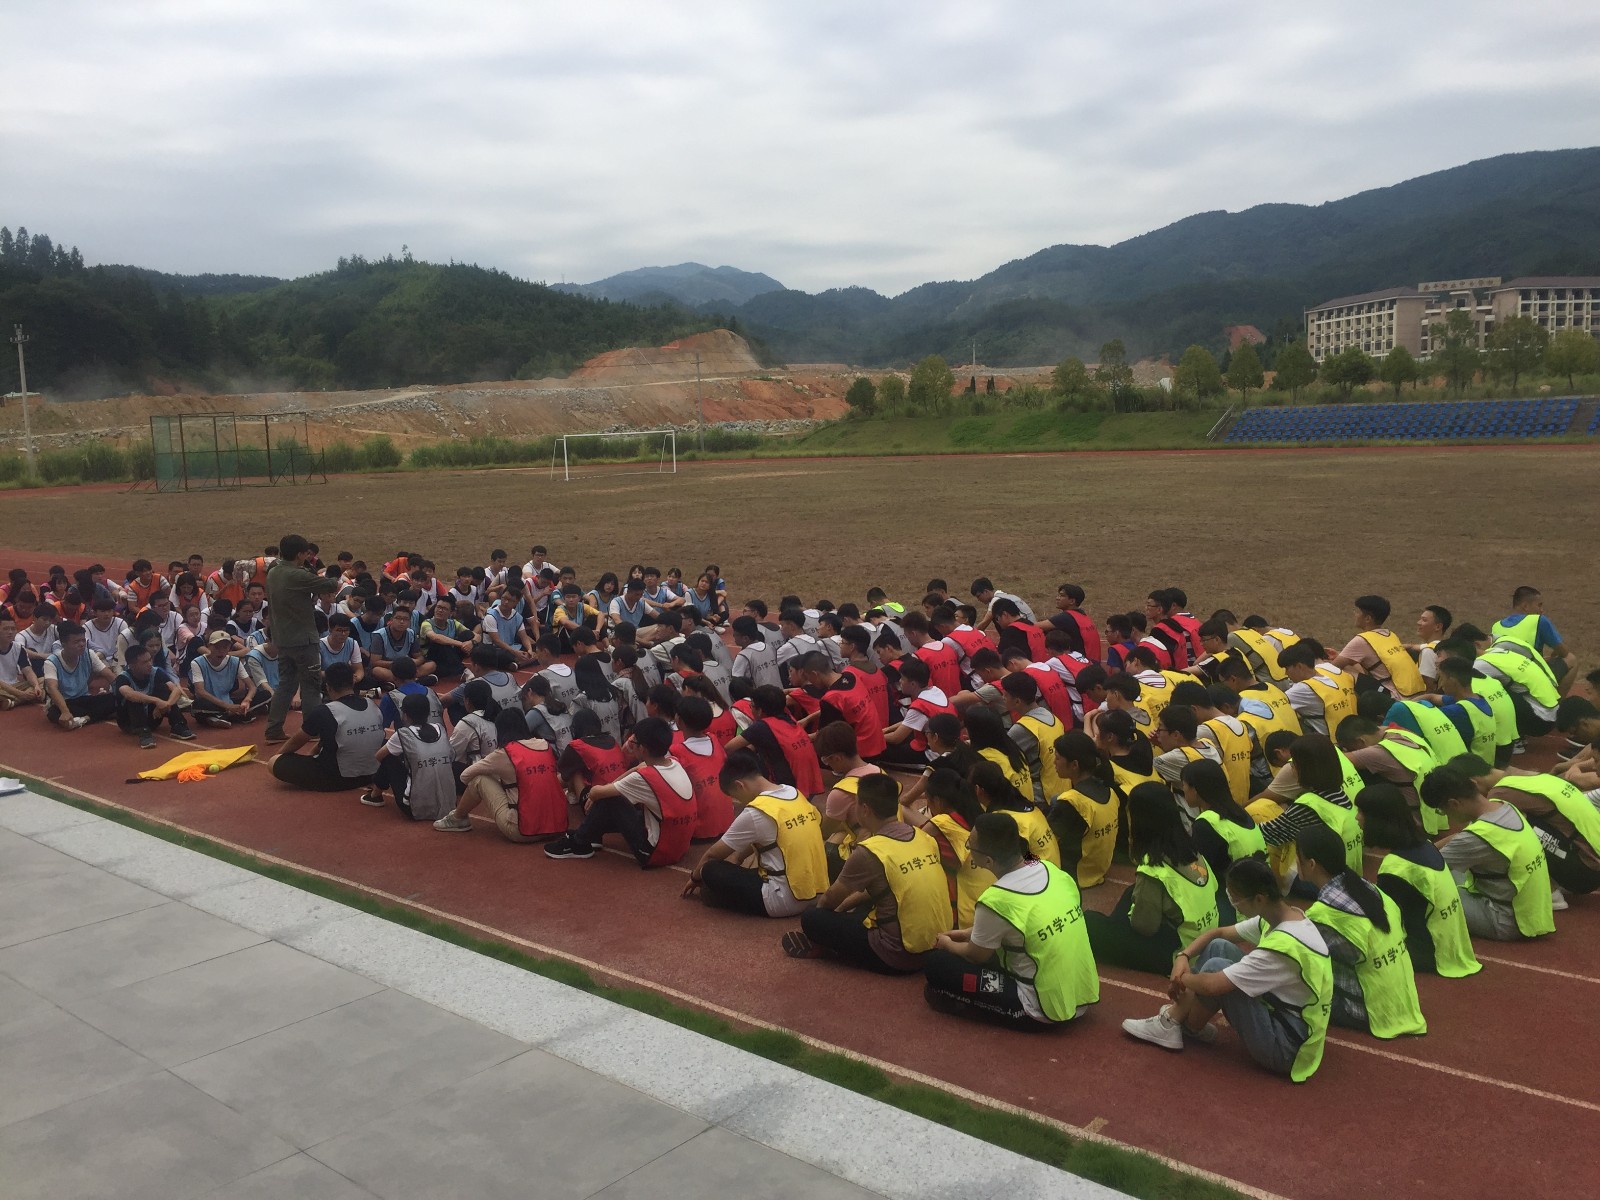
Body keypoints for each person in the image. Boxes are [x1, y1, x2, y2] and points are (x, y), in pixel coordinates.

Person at [1121, 858, 1333, 1083]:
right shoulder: (1284, 916)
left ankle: (1178, 1022)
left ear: (1259, 899)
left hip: (1286, 1048)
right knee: (1218, 947)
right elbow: (1219, 933)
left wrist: (1180, 978)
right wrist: (1184, 956)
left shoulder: (1282, 948)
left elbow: (1212, 985)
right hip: (1287, 1016)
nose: (1233, 904)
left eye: (1236, 899)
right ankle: (1182, 1020)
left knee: (1216, 969)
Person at [922, 812, 1099, 1029]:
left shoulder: (995, 899)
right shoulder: (1048, 867)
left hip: (1039, 1007)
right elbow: (1026, 922)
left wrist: (947, 944)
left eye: (970, 845)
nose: (968, 848)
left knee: (937, 964)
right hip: (1081, 994)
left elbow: (975, 955)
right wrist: (968, 933)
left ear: (987, 861)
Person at [786, 773, 953, 973]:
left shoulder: (870, 851)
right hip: (937, 945)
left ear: (865, 809)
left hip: (897, 955)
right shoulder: (923, 836)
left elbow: (830, 899)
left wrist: (824, 918)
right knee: (867, 903)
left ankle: (825, 946)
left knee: (812, 917)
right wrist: (845, 906)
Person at [1295, 821, 1427, 1040]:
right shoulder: (1369, 888)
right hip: (1403, 1003)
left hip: (1368, 1011)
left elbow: (1297, 956)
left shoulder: (1324, 913)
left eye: (1296, 856)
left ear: (1311, 864)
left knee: (1287, 984)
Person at [1086, 782, 1219, 974]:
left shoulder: (1153, 867)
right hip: (1204, 939)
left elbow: (1145, 926)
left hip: (1180, 954)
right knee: (1131, 892)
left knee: (1090, 922)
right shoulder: (1190, 847)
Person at [1355, 783, 1480, 978]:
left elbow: (1384, 921)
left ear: (1377, 820)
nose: (1356, 818)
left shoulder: (1396, 868)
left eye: (1361, 812)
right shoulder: (1426, 846)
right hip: (1450, 944)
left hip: (1428, 952)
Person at [682, 750, 826, 917]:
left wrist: (695, 877)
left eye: (735, 796)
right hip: (815, 891)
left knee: (710, 870)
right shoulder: (794, 793)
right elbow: (773, 833)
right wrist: (739, 857)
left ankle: (720, 899)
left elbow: (712, 855)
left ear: (740, 785)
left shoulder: (756, 811)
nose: (739, 801)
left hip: (782, 900)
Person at [1421, 763, 1555, 941]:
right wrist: (1430, 847)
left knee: (1422, 891)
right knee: (1450, 874)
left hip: (1505, 920)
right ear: (1473, 784)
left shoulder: (1475, 838)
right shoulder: (1504, 807)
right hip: (1533, 913)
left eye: (1442, 811)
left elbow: (1425, 869)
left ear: (1453, 804)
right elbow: (1459, 838)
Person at [544, 717, 695, 866]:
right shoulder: (674, 762)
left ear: (642, 749)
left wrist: (600, 793)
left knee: (610, 798)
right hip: (679, 845)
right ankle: (588, 835)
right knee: (617, 797)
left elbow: (596, 793)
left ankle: (579, 842)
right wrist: (633, 771)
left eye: (634, 743)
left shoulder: (645, 777)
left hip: (654, 853)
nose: (631, 746)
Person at [1453, 754, 1600, 900]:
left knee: (1502, 826)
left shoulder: (1500, 793)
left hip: (1584, 872)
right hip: (1590, 863)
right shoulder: (1529, 776)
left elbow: (1476, 833)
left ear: (1473, 783)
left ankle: (1548, 891)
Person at [436, 710, 566, 840]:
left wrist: (498, 778)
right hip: (557, 827)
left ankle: (457, 818)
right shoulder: (544, 744)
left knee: (479, 779)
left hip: (522, 832)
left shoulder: (505, 752)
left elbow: (465, 776)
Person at [264, 533, 341, 744]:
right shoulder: (297, 575)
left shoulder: (274, 571)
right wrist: (331, 574)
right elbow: (330, 585)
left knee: (286, 684)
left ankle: (273, 728)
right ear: (300, 554)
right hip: (303, 639)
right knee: (311, 686)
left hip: (282, 638)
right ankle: (312, 730)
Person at [268, 662, 384, 792]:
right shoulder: (372, 704)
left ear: (328, 687)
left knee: (274, 762)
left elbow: (295, 742)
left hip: (337, 778)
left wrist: (279, 756)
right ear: (353, 681)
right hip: (373, 774)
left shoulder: (324, 711)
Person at [1182, 759, 1265, 922]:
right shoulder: (1239, 812)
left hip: (1237, 906)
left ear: (1195, 789)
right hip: (1261, 897)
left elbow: (1198, 874)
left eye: (1183, 785)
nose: (1183, 789)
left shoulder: (1206, 823)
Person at [1046, 731, 1120, 888]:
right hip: (1099, 870)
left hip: (1076, 878)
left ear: (1074, 765)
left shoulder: (1071, 802)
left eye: (1058, 758)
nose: (1054, 762)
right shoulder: (1110, 792)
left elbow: (1046, 845)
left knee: (1028, 857)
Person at [369, 691, 456, 821]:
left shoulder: (403, 734)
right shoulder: (440, 729)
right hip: (448, 804)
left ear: (405, 715)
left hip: (414, 807)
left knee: (389, 757)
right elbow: (451, 756)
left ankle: (375, 795)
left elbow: (378, 756)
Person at [1331, 594, 1425, 699]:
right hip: (1416, 694)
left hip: (1394, 697)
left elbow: (1333, 666)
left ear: (1367, 618)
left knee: (1345, 669)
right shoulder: (1390, 635)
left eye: (1358, 612)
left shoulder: (1362, 640)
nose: (1355, 615)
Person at [970, 760, 1060, 866]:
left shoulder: (1003, 820)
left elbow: (1014, 862)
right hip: (1053, 867)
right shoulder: (1021, 803)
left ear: (978, 790)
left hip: (1041, 871)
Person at [673, 694, 735, 841]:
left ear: (679, 721)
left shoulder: (676, 751)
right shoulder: (714, 739)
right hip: (727, 823)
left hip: (700, 830)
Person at [113, 641, 194, 748]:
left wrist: (167, 704)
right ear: (132, 666)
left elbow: (176, 690)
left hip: (154, 716)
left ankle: (178, 725)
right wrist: (156, 701)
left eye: (150, 659)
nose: (150, 664)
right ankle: (143, 733)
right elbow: (129, 694)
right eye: (144, 662)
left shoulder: (155, 672)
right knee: (135, 698)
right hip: (129, 722)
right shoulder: (123, 678)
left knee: (164, 689)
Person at [1002, 671, 1064, 806]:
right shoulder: (1051, 716)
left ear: (1017, 701)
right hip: (1063, 789)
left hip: (1041, 798)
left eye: (1005, 695)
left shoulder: (1023, 728)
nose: (1003, 698)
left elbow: (1000, 754)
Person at [1492, 585, 1575, 684]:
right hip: (1527, 681)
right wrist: (1553, 656)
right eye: (1539, 605)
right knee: (1571, 659)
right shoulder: (1539, 620)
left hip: (1502, 681)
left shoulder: (1496, 626)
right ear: (1525, 606)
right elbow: (1563, 652)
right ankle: (1552, 695)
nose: (1541, 610)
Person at [0, 613, 44, 710]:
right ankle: (24, 698)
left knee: (43, 681)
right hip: (2, 688)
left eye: (13, 629)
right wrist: (20, 694)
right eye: (6, 629)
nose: (10, 632)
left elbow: (28, 671)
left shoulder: (18, 648)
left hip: (14, 685)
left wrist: (36, 686)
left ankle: (14, 702)